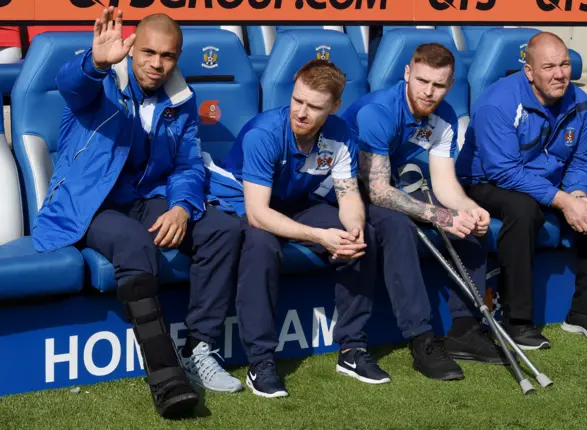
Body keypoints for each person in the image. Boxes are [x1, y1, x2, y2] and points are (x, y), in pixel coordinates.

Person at [33, 8, 244, 418]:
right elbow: (70, 85)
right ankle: (166, 377)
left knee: (222, 228)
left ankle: (199, 348)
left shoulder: (181, 99)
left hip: (147, 198)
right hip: (91, 203)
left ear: (178, 57)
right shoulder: (101, 83)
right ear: (132, 49)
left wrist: (183, 207)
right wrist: (95, 62)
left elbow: (186, 165)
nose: (157, 63)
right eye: (148, 52)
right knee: (132, 242)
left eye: (167, 56)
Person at [205, 59, 389, 398]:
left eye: (314, 107)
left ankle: (351, 349)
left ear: (334, 107)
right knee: (261, 247)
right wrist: (321, 236)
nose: (302, 113)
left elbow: (348, 197)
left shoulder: (341, 134)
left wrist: (353, 229)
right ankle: (260, 362)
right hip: (242, 203)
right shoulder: (264, 133)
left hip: (292, 200)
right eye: (298, 101)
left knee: (363, 239)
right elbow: (259, 214)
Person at [340, 43, 507, 382]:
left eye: (439, 85)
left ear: (450, 83)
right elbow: (379, 193)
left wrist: (469, 209)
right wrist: (442, 216)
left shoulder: (443, 116)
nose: (429, 92)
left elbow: (445, 184)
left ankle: (465, 329)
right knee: (397, 226)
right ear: (406, 74)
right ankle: (421, 339)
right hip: (350, 194)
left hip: (394, 186)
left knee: (472, 226)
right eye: (422, 81)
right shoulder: (378, 111)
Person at [456, 31, 587, 350]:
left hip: (548, 181)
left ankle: (586, 314)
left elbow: (581, 161)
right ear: (529, 72)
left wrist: (576, 196)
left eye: (565, 64)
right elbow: (503, 170)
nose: (559, 74)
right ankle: (517, 322)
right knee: (522, 210)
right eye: (549, 67)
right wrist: (561, 201)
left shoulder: (580, 102)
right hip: (487, 181)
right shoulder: (498, 102)